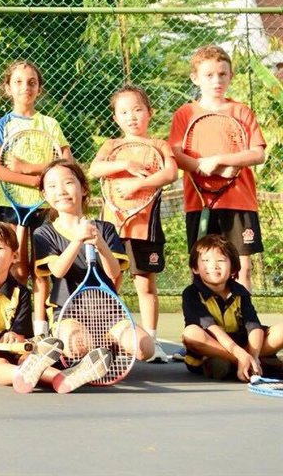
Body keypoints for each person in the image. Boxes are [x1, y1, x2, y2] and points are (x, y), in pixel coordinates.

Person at [88, 85, 178, 361]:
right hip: (111, 229)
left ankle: (151, 342)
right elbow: (94, 169)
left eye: (138, 110)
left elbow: (171, 173)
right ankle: (106, 339)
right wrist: (125, 165)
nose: (132, 116)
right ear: (116, 118)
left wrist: (138, 184)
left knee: (145, 286)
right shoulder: (111, 146)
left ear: (150, 113)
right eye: (124, 112)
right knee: (109, 284)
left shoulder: (159, 146)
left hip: (145, 229)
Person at [32, 160, 154, 363]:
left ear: (83, 188)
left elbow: (114, 272)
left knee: (145, 349)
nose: (61, 190)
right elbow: (58, 271)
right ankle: (91, 347)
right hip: (68, 311)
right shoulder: (44, 233)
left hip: (108, 311)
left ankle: (106, 343)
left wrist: (100, 243)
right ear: (45, 195)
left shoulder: (105, 229)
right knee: (78, 347)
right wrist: (78, 239)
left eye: (68, 182)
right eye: (52, 186)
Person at [168, 45, 267, 288]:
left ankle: (242, 312)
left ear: (231, 75)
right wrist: (202, 167)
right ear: (195, 78)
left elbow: (257, 154)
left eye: (223, 74)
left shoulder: (241, 111)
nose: (217, 80)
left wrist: (219, 160)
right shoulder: (185, 113)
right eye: (209, 75)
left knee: (241, 268)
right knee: (202, 266)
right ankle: (202, 313)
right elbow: (176, 154)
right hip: (199, 202)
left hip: (239, 201)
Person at [0, 221, 73, 393]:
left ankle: (65, 378)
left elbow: (21, 333)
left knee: (28, 358)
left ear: (15, 256)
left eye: (0, 248)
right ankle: (20, 374)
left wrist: (14, 336)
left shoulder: (21, 292)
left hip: (12, 349)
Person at [0, 60, 71, 283]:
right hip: (11, 204)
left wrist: (28, 169)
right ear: (8, 88)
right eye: (19, 82)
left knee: (42, 270)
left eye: (32, 82)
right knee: (16, 268)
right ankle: (19, 306)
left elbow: (67, 162)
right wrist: (32, 181)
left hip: (45, 204)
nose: (26, 87)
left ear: (39, 89)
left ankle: (43, 309)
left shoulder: (50, 124)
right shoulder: (2, 125)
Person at [181, 234, 283, 381]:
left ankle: (251, 363)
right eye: (205, 260)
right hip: (212, 351)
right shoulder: (191, 293)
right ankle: (245, 363)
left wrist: (253, 355)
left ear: (233, 268)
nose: (214, 265)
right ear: (195, 268)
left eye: (221, 260)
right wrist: (240, 356)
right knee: (191, 333)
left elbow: (254, 327)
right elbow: (212, 329)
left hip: (245, 347)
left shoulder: (240, 292)